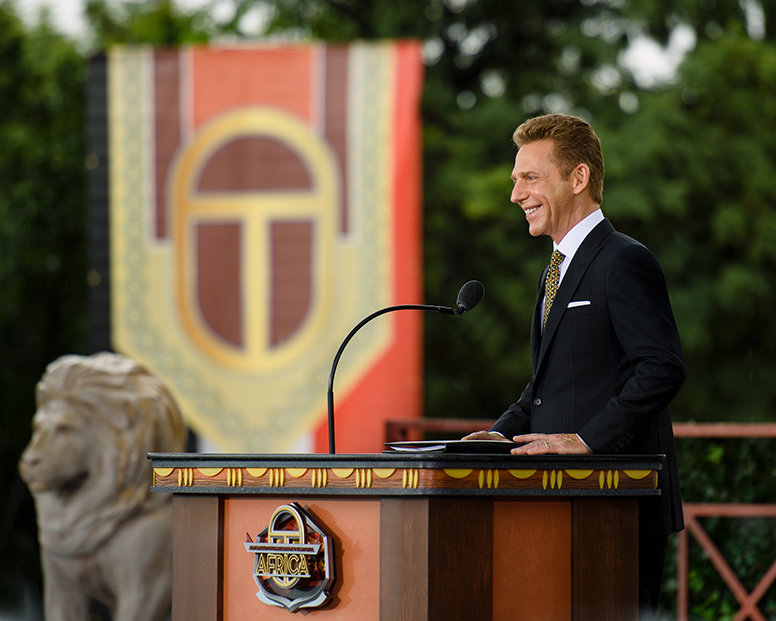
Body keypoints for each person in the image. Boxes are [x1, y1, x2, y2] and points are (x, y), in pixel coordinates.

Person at [463, 113, 685, 618]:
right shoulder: (554, 271)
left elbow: (661, 367)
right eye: (515, 180)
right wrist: (499, 436)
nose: (516, 195)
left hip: (616, 507)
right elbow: (547, 384)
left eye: (530, 177)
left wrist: (587, 441)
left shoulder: (624, 260)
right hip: (557, 507)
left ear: (578, 177)